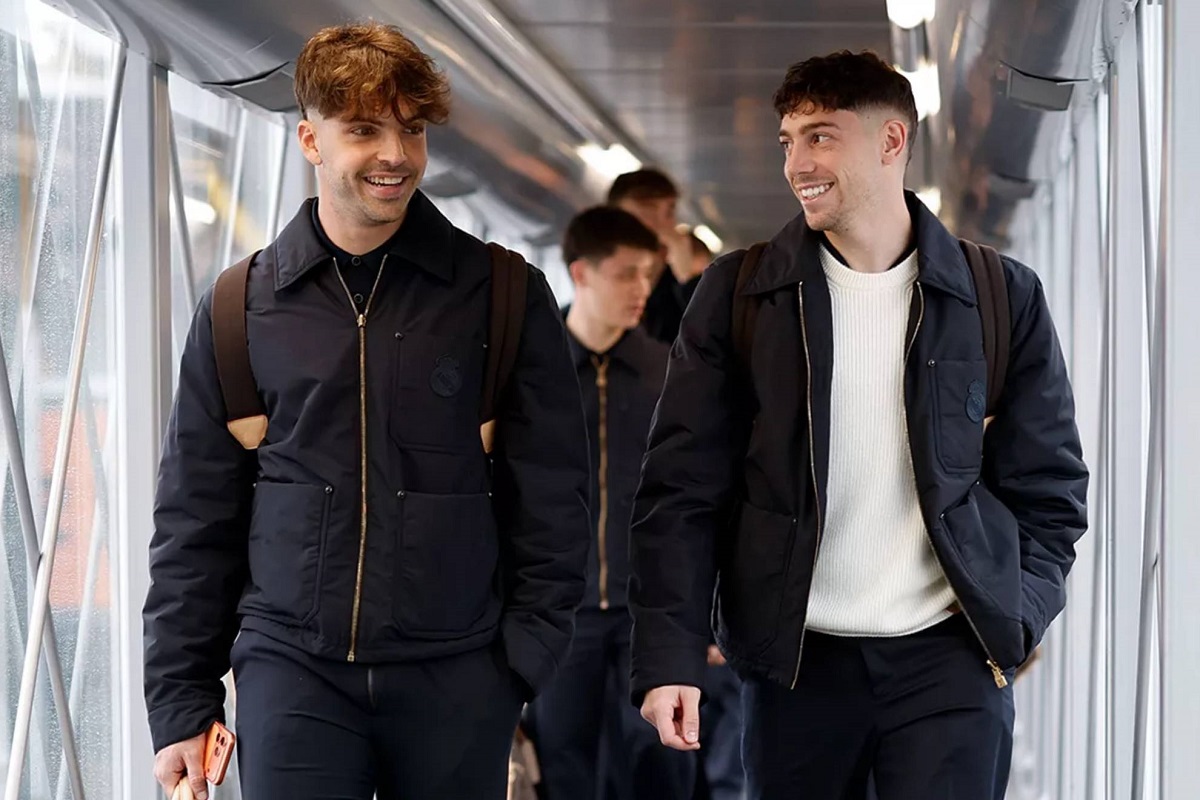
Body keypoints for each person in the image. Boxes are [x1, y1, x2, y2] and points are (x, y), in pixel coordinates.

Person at [143, 22, 590, 800]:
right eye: (364, 129)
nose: (395, 154)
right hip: (294, 676)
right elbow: (194, 519)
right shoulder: (238, 309)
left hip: (459, 674)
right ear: (310, 138)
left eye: (411, 130)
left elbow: (553, 496)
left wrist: (522, 662)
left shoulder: (503, 295)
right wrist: (182, 702)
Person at [629, 50, 1088, 800]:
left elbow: (1050, 484)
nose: (796, 163)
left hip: (949, 662)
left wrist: (1018, 615)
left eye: (820, 136)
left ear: (891, 142)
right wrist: (670, 657)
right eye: (788, 140)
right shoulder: (740, 296)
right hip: (798, 666)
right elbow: (679, 492)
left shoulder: (999, 296)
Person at [526, 206, 694, 800]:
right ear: (581, 274)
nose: (642, 289)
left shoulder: (666, 372)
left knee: (655, 763)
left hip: (644, 611)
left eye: (648, 274)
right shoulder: (534, 369)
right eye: (626, 274)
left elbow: (692, 499)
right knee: (563, 760)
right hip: (558, 611)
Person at [607, 169, 702, 345]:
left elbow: (710, 335)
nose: (661, 224)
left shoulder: (678, 289)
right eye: (648, 211)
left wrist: (688, 279)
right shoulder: (599, 277)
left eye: (669, 212)